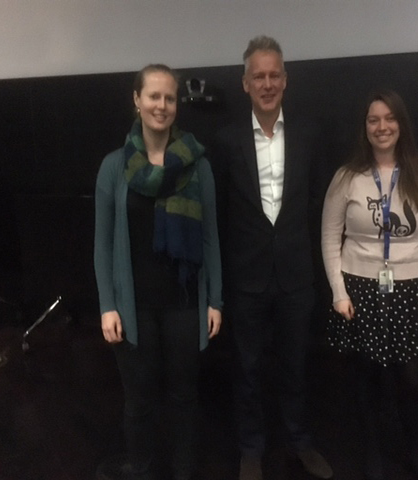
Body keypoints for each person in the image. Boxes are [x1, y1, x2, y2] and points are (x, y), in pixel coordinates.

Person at [211, 36, 333, 480]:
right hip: (246, 278)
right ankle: (251, 450)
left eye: (274, 75)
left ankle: (300, 442)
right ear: (245, 84)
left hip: (297, 275)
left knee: (297, 364)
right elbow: (220, 211)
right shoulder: (224, 140)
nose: (267, 83)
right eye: (258, 76)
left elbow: (318, 198)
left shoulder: (309, 133)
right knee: (246, 368)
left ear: (286, 79)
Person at [94, 64, 222, 480]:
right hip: (135, 308)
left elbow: (210, 239)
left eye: (169, 98)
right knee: (139, 401)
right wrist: (107, 305)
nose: (161, 105)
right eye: (153, 96)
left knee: (185, 399)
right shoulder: (114, 168)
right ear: (137, 100)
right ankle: (145, 471)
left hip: (184, 303)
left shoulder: (196, 165)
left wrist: (215, 300)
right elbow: (102, 244)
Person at [321, 89, 418, 480]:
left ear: (401, 124)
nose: (382, 127)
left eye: (389, 118)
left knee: (409, 378)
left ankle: (414, 451)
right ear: (365, 127)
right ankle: (373, 454)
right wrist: (338, 291)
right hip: (359, 287)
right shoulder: (347, 177)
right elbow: (330, 237)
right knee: (367, 376)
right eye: (373, 119)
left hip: (413, 287)